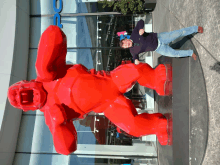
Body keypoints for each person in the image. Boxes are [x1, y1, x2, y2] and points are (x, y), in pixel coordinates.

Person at [7, 25, 171, 155]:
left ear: (26, 83)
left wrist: (43, 63)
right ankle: (157, 125)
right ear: (27, 108)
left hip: (110, 81)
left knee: (134, 71)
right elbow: (66, 148)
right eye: (24, 101)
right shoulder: (51, 115)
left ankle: (156, 79)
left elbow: (54, 33)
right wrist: (59, 127)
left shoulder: (49, 73)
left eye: (22, 93)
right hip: (108, 106)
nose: (27, 97)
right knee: (132, 127)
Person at [119, 19, 203, 64]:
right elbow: (135, 57)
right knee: (174, 54)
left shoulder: (134, 34)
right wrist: (136, 61)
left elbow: (141, 21)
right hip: (159, 49)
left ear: (126, 39)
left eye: (125, 43)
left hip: (160, 37)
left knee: (178, 33)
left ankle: (196, 29)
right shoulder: (132, 51)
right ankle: (190, 53)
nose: (127, 44)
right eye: (125, 46)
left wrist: (141, 28)